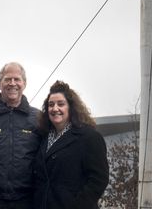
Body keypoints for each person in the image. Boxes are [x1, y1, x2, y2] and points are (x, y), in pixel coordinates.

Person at [0, 62, 41, 209]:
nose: (12, 83)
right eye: (7, 79)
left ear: (24, 83)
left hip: (27, 200)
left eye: (17, 79)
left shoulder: (38, 118)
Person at [32, 81, 109, 209]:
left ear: (71, 107)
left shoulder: (89, 137)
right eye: (51, 105)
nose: (55, 108)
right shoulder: (42, 138)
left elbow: (99, 180)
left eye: (60, 104)